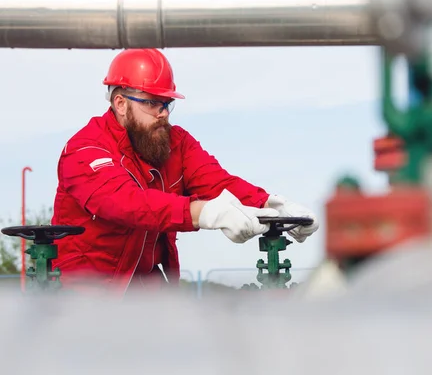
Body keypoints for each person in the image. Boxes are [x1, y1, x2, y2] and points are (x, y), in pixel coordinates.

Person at [51, 48, 319, 296]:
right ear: (120, 103)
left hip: (145, 290)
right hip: (84, 295)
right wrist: (205, 213)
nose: (163, 113)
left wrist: (272, 204)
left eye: (167, 103)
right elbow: (128, 203)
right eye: (152, 102)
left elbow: (217, 183)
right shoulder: (85, 150)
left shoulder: (174, 143)